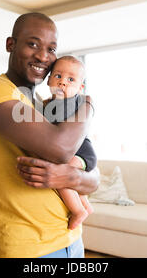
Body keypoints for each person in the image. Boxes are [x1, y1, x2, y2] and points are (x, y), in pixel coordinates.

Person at [0, 12, 99, 258]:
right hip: (26, 248)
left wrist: (67, 175)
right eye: (33, 44)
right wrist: (88, 105)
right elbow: (60, 148)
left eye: (51, 48)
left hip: (71, 239)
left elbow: (94, 179)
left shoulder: (45, 105)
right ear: (10, 44)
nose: (43, 56)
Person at [43, 55, 96, 231]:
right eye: (58, 76)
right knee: (69, 179)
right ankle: (85, 205)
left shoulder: (71, 103)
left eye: (70, 79)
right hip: (76, 152)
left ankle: (78, 210)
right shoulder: (52, 104)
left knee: (62, 176)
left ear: (79, 88)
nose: (63, 82)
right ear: (48, 79)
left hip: (82, 152)